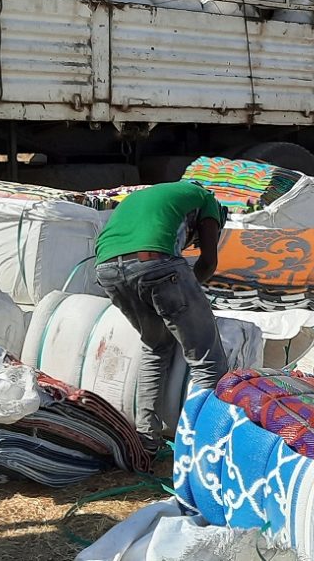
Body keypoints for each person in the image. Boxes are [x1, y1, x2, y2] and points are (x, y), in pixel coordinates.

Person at [93, 181, 228, 453]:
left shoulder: (147, 197)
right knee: (208, 361)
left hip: (107, 270)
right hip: (154, 263)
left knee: (156, 347)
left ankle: (146, 440)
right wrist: (189, 296)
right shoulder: (207, 200)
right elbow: (208, 262)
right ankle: (203, 446)